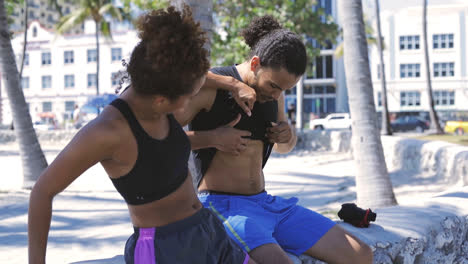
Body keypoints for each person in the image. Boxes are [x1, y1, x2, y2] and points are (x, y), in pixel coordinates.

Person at [28, 6, 256, 264]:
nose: (189, 104)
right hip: (164, 249)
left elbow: (160, 150)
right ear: (161, 100)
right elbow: (42, 192)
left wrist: (218, 124)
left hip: (207, 229)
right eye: (188, 98)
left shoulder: (160, 83)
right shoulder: (106, 132)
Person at [174, 16, 373, 264]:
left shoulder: (273, 96)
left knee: (361, 255)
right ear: (255, 63)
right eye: (274, 86)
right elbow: (157, 138)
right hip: (222, 207)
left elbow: (284, 147)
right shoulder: (213, 86)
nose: (277, 94)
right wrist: (213, 138)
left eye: (284, 90)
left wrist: (287, 134)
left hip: (267, 204)